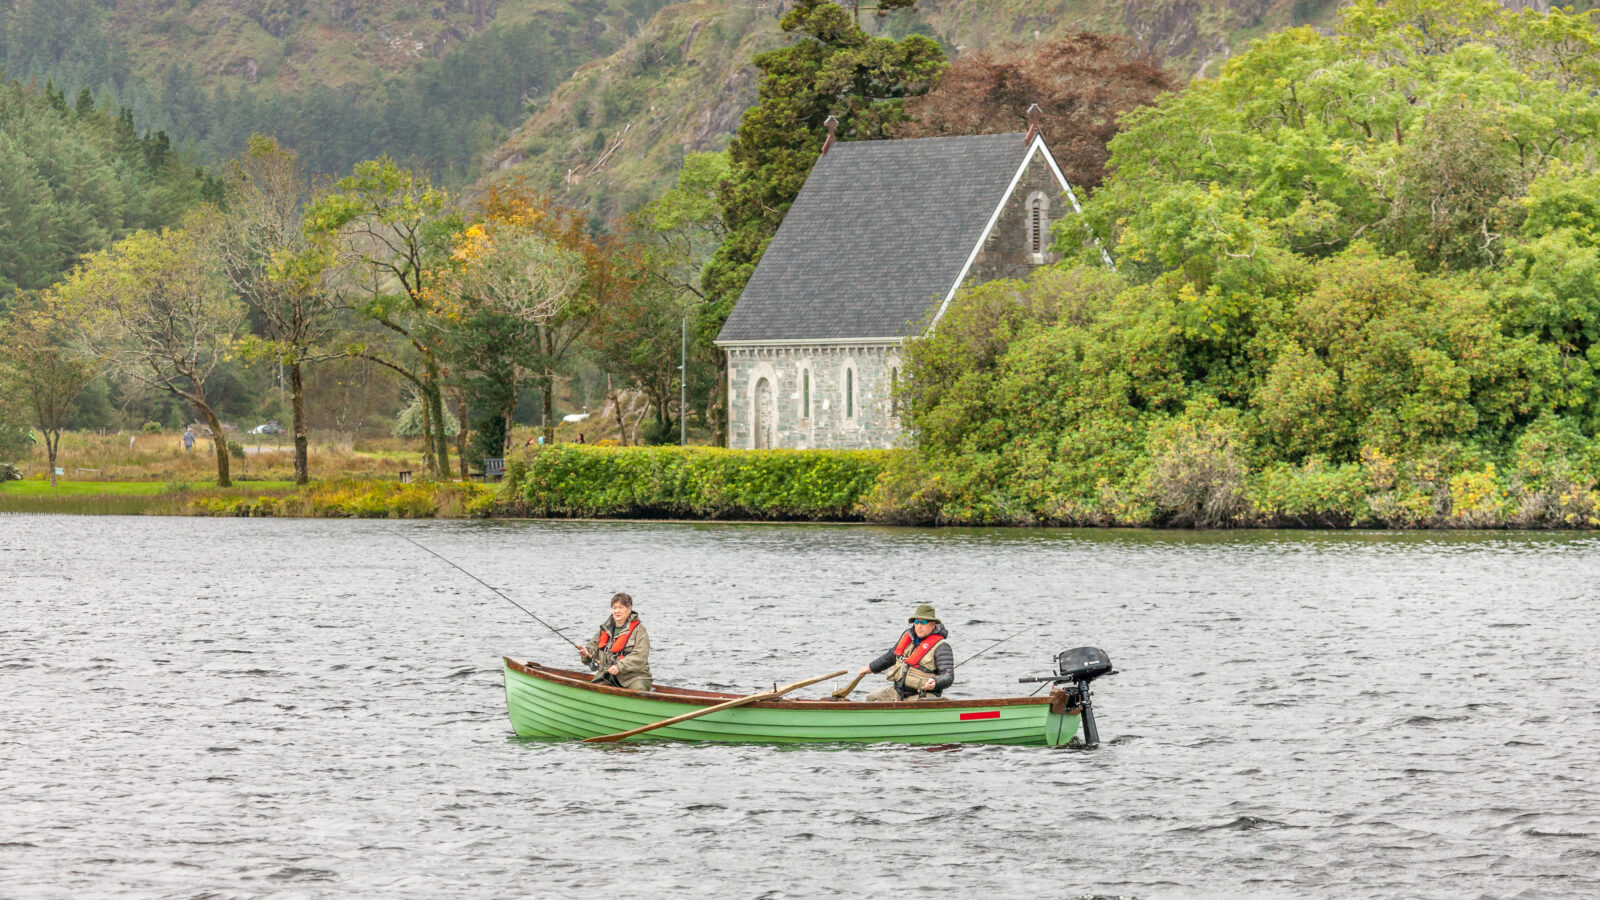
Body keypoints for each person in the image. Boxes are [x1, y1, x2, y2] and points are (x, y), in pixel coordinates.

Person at [859, 604, 954, 701]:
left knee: (915, 705)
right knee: (871, 697)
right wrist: (870, 668)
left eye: (923, 622)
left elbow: (948, 676)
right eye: (916, 622)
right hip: (899, 692)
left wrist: (935, 682)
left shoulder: (942, 647)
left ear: (933, 624)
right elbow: (890, 657)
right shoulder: (908, 637)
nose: (919, 626)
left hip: (924, 695)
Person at [577, 593, 652, 692]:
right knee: (593, 690)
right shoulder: (604, 629)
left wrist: (619, 666)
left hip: (634, 677)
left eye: (620, 607)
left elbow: (640, 656)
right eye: (614, 607)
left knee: (639, 691)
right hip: (607, 676)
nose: (617, 611)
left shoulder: (639, 630)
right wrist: (586, 654)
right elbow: (592, 651)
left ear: (629, 609)